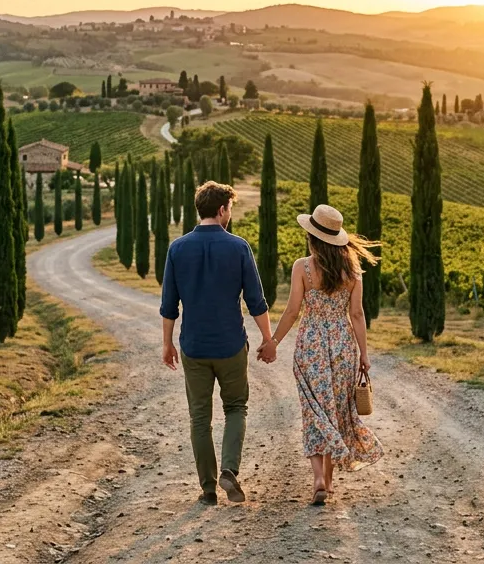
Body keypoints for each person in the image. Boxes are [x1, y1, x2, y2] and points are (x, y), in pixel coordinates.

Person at [258, 204, 383, 505]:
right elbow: (356, 314)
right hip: (342, 347)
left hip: (310, 346)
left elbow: (291, 312)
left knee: (314, 411)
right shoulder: (352, 272)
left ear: (313, 238)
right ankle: (327, 481)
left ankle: (317, 479)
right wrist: (364, 354)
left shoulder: (302, 267)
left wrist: (273, 341)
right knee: (336, 412)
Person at [160, 181, 271, 505]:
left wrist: (167, 344)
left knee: (199, 417)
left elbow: (169, 305)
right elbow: (256, 300)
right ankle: (229, 470)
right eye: (230, 209)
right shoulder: (238, 247)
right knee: (236, 407)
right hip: (231, 346)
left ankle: (208, 488)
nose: (230, 215)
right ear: (222, 210)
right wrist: (268, 338)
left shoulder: (177, 249)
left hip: (193, 346)